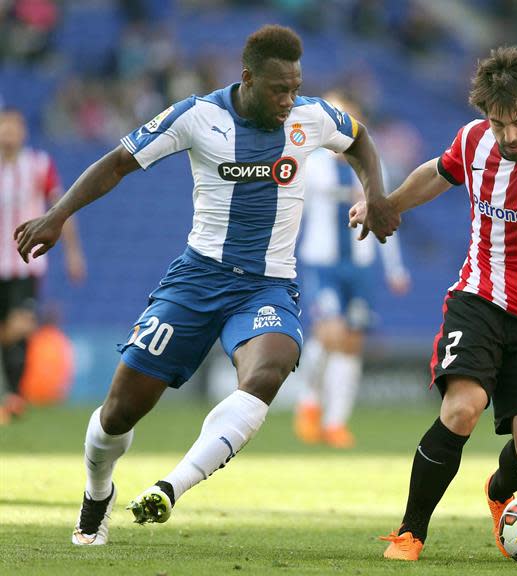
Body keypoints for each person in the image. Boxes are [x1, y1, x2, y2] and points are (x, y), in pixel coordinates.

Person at [14, 24, 398, 546]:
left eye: (295, 87)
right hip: (197, 279)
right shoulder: (198, 115)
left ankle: (170, 488)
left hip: (268, 285)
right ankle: (97, 492)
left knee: (270, 369)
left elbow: (359, 139)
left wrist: (376, 193)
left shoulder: (313, 116)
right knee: (119, 412)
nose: (289, 100)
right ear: (247, 79)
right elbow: (119, 162)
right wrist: (57, 215)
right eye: (277, 89)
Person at [350, 46, 517, 561]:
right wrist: (384, 205)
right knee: (463, 407)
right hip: (480, 298)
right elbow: (436, 172)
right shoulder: (475, 141)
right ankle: (410, 532)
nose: (509, 135)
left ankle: (499, 494)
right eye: (498, 123)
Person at [294, 90, 410, 449]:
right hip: (322, 262)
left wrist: (395, 266)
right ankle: (309, 402)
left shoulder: (373, 167)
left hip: (359, 265)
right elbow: (295, 213)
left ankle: (335, 423)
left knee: (351, 343)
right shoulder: (311, 165)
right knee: (329, 334)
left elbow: (386, 214)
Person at [0, 108, 85, 425]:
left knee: (20, 326)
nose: (8, 132)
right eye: (4, 127)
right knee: (9, 331)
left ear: (23, 132)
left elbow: (61, 209)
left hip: (25, 263)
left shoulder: (38, 165)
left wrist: (74, 254)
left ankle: (13, 398)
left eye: (14, 127)